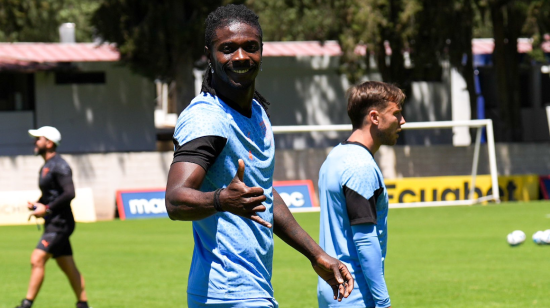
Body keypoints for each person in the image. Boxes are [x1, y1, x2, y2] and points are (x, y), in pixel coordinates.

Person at [165, 4, 353, 307]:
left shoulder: (257, 114)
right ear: (210, 54)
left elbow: (261, 192)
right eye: (228, 48)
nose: (240, 56)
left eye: (250, 47)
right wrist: (220, 200)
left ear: (261, 51)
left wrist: (316, 254)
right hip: (227, 291)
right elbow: (175, 199)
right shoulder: (208, 118)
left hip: (251, 287)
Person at [317, 81, 406, 308]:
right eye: (396, 114)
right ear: (375, 117)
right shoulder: (360, 167)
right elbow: (365, 239)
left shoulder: (335, 156)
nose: (402, 121)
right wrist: (383, 301)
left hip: (333, 291)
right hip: (355, 294)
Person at [15, 126, 90, 308]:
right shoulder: (46, 166)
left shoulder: (60, 165)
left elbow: (69, 192)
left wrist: (46, 208)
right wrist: (38, 203)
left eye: (38, 139)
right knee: (67, 265)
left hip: (60, 224)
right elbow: (51, 195)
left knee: (37, 259)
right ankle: (83, 304)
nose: (35, 142)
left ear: (49, 143)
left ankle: (26, 305)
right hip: (53, 223)